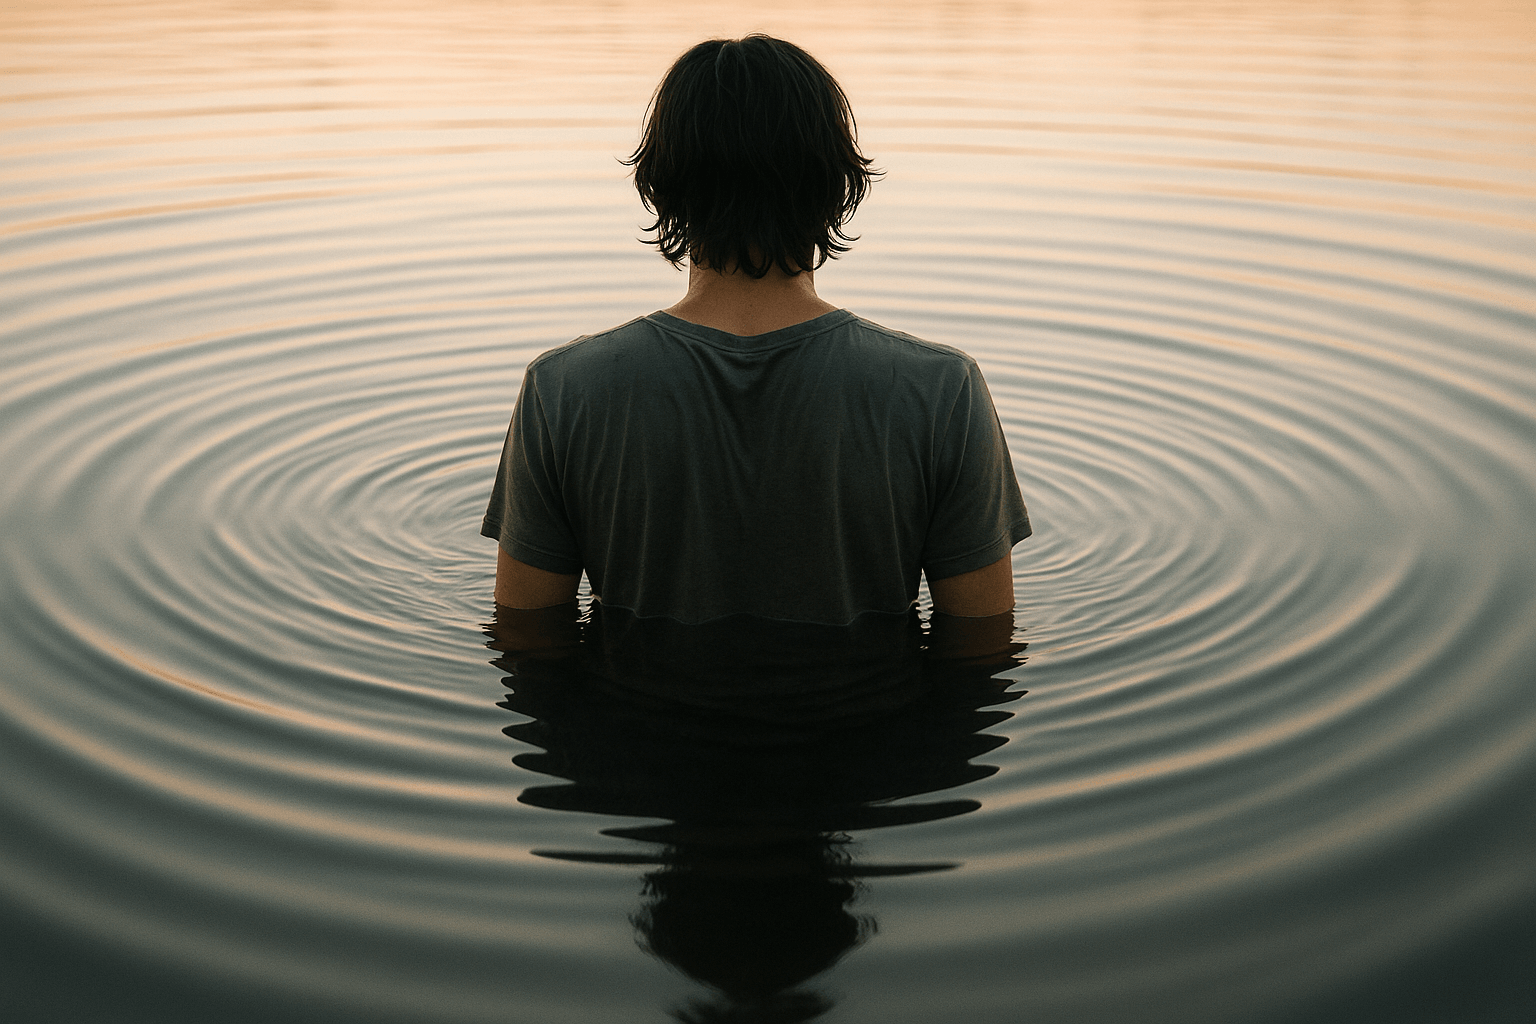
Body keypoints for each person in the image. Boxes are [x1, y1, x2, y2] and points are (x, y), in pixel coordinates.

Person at [484, 34, 1030, 625]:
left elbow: (527, 636)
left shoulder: (563, 390)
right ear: (836, 185)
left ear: (662, 185)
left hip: (640, 717)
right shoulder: (942, 391)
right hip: (863, 715)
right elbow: (982, 646)